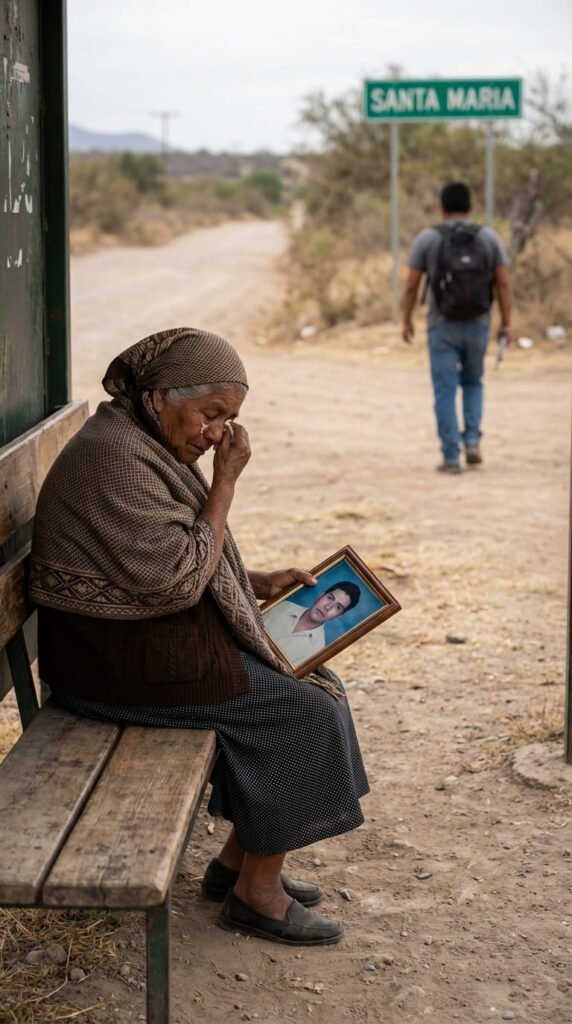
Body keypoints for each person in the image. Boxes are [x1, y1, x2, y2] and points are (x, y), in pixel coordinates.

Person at [29, 327, 369, 947]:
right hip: (108, 664)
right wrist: (226, 485)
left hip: (135, 641)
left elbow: (171, 557)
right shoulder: (116, 457)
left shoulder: (138, 437)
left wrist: (255, 578)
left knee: (316, 684)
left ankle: (238, 865)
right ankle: (256, 898)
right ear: (159, 396)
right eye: (211, 414)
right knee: (305, 715)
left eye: (230, 419)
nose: (218, 433)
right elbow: (178, 579)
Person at [402, 180, 512, 473]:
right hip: (478, 323)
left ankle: (451, 457)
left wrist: (406, 319)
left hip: (442, 325)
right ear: (470, 207)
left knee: (445, 390)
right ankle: (473, 440)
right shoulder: (488, 237)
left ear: (441, 207)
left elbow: (412, 284)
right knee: (474, 381)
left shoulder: (428, 239)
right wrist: (507, 323)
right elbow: (502, 281)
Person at [263, 581, 361, 668]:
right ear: (320, 596)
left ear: (338, 616)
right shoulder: (282, 606)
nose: (328, 607)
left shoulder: (316, 651)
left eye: (338, 607)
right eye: (330, 598)